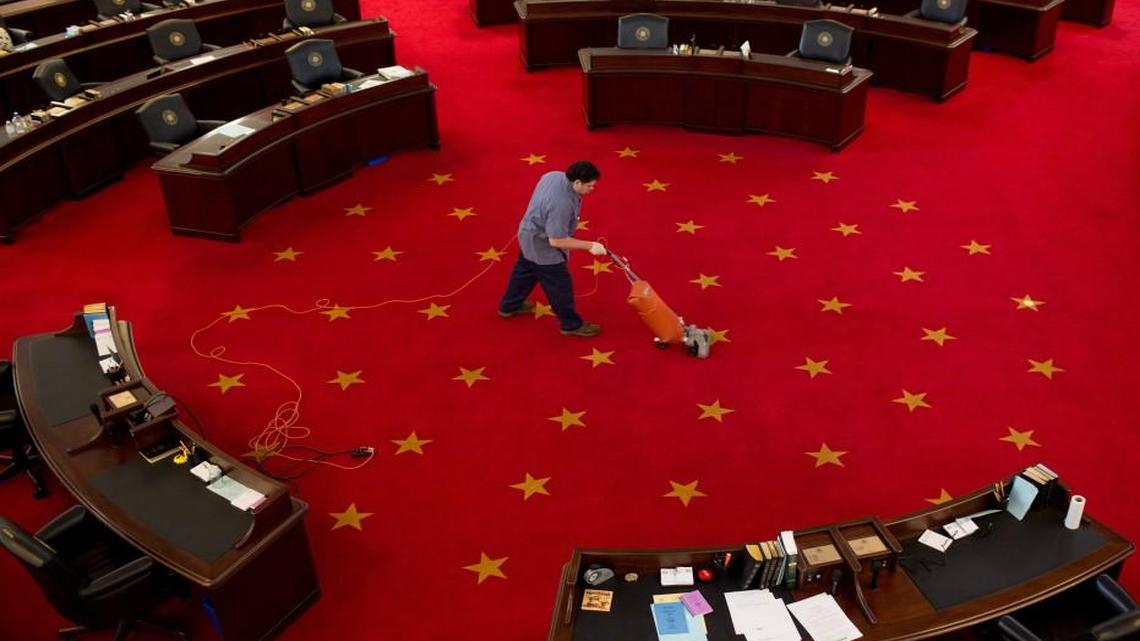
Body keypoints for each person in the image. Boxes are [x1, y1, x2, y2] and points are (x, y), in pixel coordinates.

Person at [499, 160, 606, 337]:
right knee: (559, 286)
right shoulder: (561, 205)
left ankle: (509, 306)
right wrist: (590, 246)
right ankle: (571, 325)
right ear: (577, 182)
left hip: (527, 235)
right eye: (590, 186)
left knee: (524, 271)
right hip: (543, 247)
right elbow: (556, 241)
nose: (592, 189)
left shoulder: (553, 175)